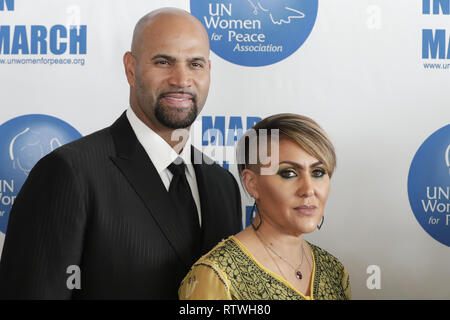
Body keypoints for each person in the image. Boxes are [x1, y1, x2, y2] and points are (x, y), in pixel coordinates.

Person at [0, 8, 242, 299]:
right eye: (164, 61)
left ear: (208, 72)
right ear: (130, 68)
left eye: (195, 64)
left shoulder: (223, 184)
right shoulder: (69, 172)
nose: (181, 79)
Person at [179, 113, 351, 300]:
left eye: (318, 172)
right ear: (252, 183)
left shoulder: (334, 271)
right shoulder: (217, 277)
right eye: (289, 173)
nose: (309, 190)